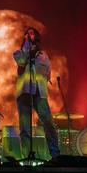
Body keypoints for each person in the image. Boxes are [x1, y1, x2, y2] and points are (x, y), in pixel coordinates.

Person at [13, 27, 60, 160]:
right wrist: (27, 45)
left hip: (40, 92)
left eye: (31, 33)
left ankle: (55, 155)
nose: (29, 34)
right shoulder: (18, 53)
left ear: (37, 37)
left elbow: (48, 73)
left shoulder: (43, 55)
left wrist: (41, 81)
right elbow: (22, 61)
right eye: (26, 33)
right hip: (24, 93)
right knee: (25, 128)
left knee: (48, 123)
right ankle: (27, 157)